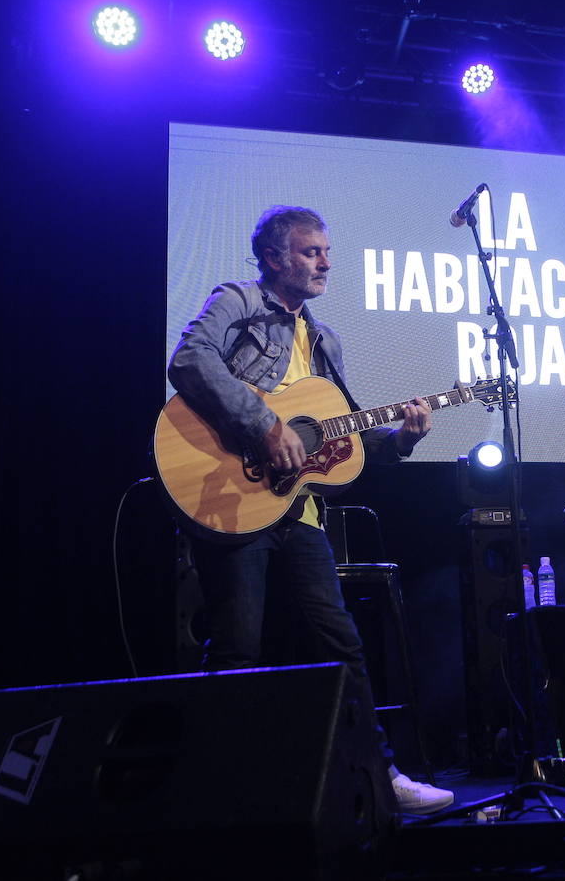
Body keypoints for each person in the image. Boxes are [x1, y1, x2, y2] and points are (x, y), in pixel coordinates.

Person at [168, 205, 454, 814]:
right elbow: (190, 360)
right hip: (232, 500)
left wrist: (402, 439)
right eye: (310, 252)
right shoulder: (239, 300)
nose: (326, 262)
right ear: (274, 258)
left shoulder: (326, 340)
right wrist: (265, 424)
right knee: (237, 649)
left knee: (342, 643)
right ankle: (214, 789)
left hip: (299, 514)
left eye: (325, 251)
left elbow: (343, 437)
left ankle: (379, 775)